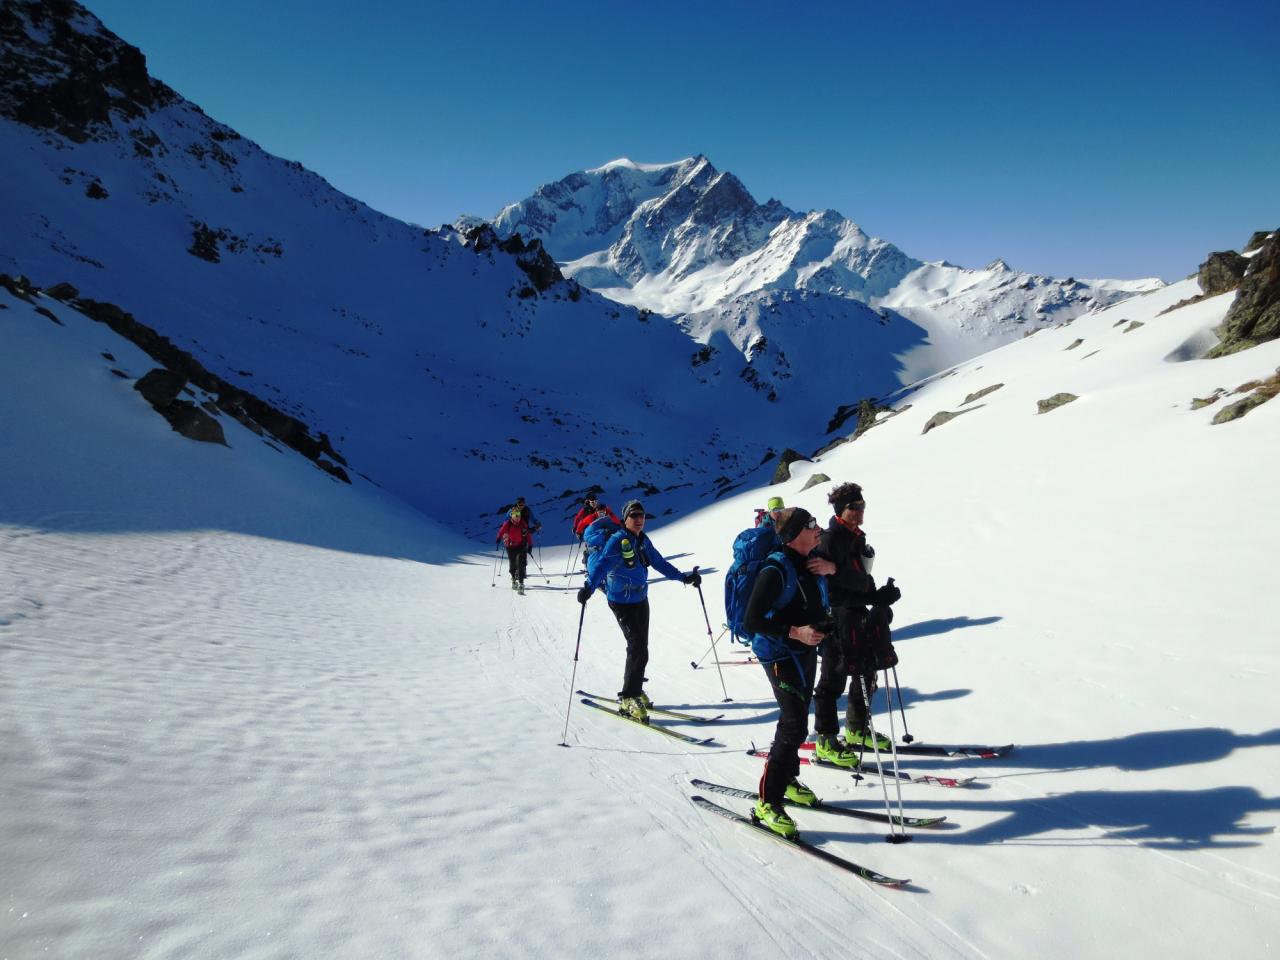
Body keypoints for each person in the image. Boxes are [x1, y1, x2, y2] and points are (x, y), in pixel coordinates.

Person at [743, 506, 830, 838]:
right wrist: (797, 632)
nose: (818, 528)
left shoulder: (807, 563)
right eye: (811, 525)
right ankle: (768, 801)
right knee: (794, 722)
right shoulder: (775, 569)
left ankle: (788, 778)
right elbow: (753, 621)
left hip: (803, 652)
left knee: (796, 722)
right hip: (778, 652)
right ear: (794, 535)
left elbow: (810, 607)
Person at [576, 500, 699, 721]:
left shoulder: (642, 540)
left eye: (641, 515)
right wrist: (588, 588)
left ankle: (634, 689)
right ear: (625, 519)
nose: (639, 519)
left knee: (642, 647)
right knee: (636, 646)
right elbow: (602, 565)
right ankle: (628, 697)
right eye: (634, 515)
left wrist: (684, 577)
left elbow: (660, 563)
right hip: (621, 600)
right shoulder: (617, 541)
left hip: (641, 598)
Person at [810, 482, 901, 767]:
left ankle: (856, 729)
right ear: (841, 510)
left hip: (857, 614)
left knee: (866, 674)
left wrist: (878, 595)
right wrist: (840, 571)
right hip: (836, 619)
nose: (861, 512)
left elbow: (857, 577)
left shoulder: (855, 538)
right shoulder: (828, 540)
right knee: (832, 681)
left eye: (863, 506)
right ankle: (825, 740)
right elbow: (826, 583)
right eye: (855, 507)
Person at [496, 508, 533, 592]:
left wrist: (530, 545)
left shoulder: (522, 523)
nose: (517, 517)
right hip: (510, 546)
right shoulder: (507, 523)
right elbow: (501, 531)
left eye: (519, 515)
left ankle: (521, 582)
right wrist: (498, 538)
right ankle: (513, 579)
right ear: (511, 516)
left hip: (520, 545)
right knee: (513, 563)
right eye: (515, 516)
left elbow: (528, 535)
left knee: (521, 563)